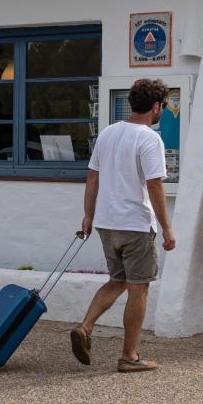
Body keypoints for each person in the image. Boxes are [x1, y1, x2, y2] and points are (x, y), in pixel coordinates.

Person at [70, 78, 177, 373]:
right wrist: (167, 228)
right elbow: (154, 185)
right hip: (135, 224)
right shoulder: (149, 138)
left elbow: (93, 178)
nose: (162, 111)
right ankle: (129, 356)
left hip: (106, 223)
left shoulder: (108, 133)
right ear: (156, 106)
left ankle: (86, 326)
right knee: (138, 289)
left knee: (117, 281)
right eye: (163, 107)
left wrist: (88, 216)